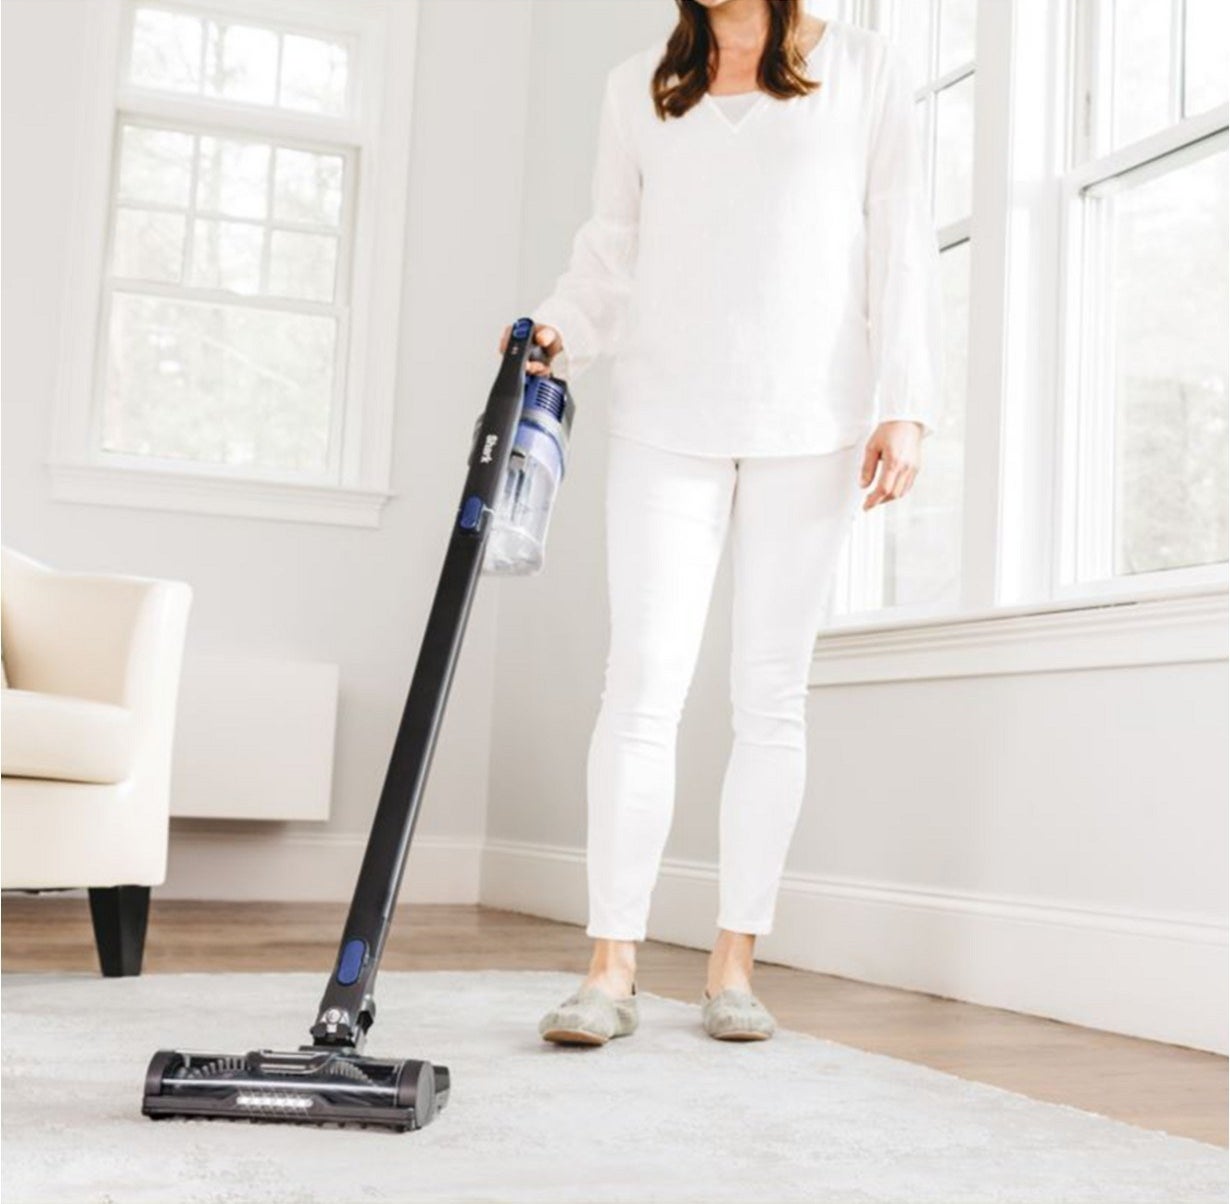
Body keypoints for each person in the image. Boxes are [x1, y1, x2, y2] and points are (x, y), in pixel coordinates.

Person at [498, 0, 942, 1045]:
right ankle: (610, 968)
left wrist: (906, 402)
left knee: (770, 696)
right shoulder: (639, 87)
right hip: (667, 417)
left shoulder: (867, 68)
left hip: (813, 421)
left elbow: (900, 240)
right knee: (640, 687)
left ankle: (733, 965)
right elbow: (610, 251)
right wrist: (560, 328)